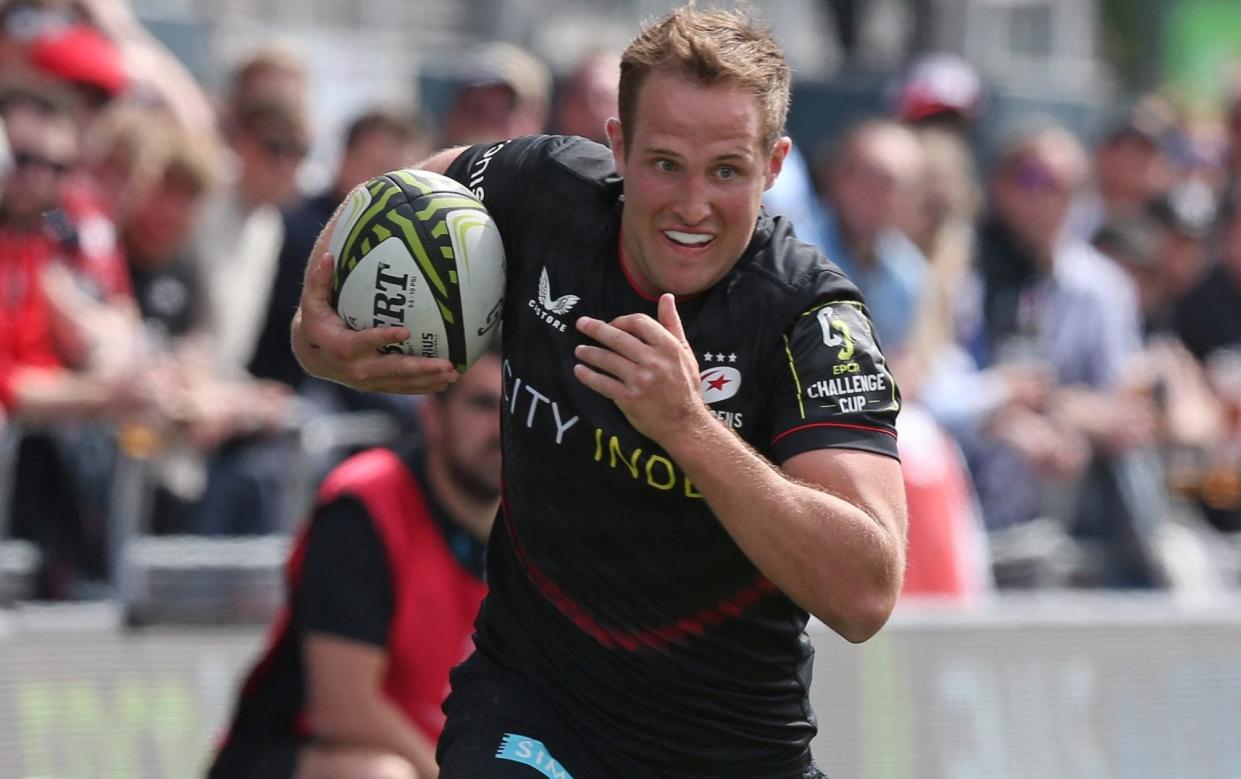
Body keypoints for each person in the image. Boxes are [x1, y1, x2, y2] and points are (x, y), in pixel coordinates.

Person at [292, 6, 908, 777]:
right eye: (662, 164)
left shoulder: (809, 318)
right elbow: (399, 194)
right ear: (616, 146)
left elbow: (865, 592)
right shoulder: (541, 192)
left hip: (735, 747)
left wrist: (688, 428)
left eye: (725, 169)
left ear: (774, 164)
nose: (691, 205)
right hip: (536, 711)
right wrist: (314, 328)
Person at [208, 349, 501, 779]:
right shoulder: (366, 504)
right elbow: (342, 711)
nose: (499, 427)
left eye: (511, 410)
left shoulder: (531, 527)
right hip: (296, 757)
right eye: (481, 404)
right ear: (432, 416)